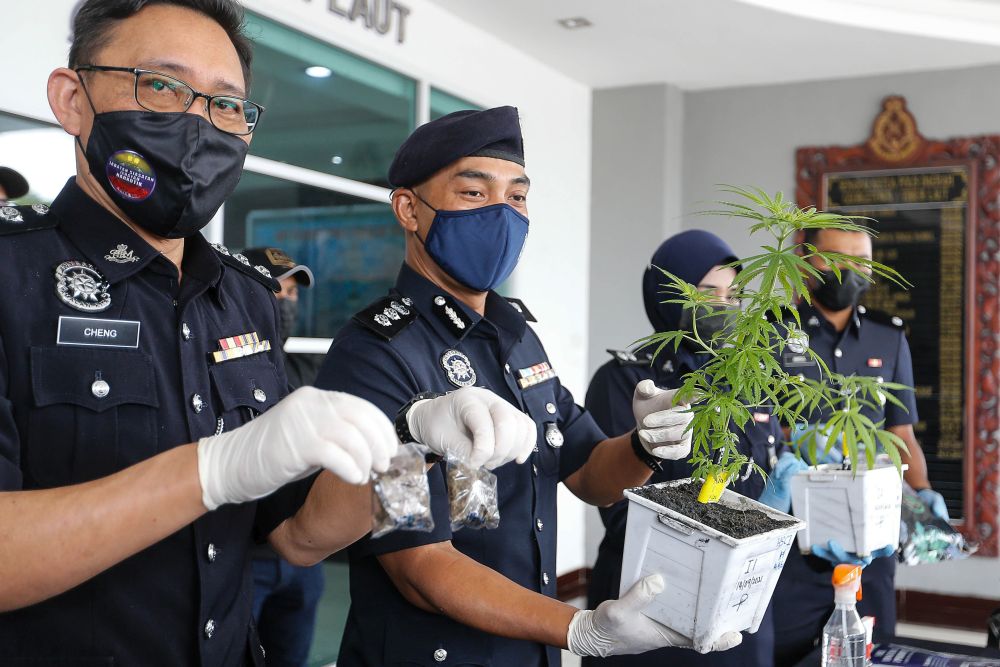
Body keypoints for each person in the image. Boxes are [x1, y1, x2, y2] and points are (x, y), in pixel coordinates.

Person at [0, 2, 534, 665]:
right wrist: (210, 471)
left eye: (226, 104)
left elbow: (300, 536)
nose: (199, 123)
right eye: (161, 85)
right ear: (72, 100)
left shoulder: (245, 296)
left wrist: (409, 445)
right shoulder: (13, 276)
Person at [314, 106, 744, 666]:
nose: (502, 213)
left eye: (516, 197)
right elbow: (417, 562)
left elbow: (590, 472)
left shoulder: (516, 337)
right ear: (409, 209)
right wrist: (578, 628)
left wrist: (645, 444)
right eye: (475, 193)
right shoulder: (379, 354)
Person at [584, 229, 784, 667]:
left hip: (737, 602)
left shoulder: (748, 379)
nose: (724, 305)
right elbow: (617, 507)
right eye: (708, 292)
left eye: (733, 295)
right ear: (667, 293)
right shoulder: (626, 381)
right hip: (649, 599)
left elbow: (766, 468)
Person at [769, 225, 947, 666]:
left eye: (861, 261)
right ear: (805, 261)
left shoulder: (889, 336)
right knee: (788, 653)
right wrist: (796, 442)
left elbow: (901, 433)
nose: (849, 271)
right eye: (835, 259)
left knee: (872, 652)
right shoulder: (773, 332)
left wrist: (922, 496)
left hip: (872, 540)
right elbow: (758, 430)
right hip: (796, 538)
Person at [242, 245, 326, 667]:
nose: (287, 302)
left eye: (293, 293)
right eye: (277, 290)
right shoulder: (212, 363)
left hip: (302, 559)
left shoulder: (306, 368)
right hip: (242, 559)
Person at [244, 246, 321, 388]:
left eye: (291, 292)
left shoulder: (307, 371)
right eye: (275, 289)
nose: (284, 300)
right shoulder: (234, 370)